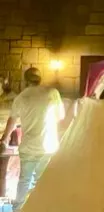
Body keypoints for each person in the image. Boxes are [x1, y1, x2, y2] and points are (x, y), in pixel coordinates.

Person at [0, 68, 65, 210]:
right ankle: (42, 207)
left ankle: (19, 209)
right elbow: (61, 116)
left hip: (28, 147)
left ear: (25, 80)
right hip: (48, 146)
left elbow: (12, 120)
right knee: (43, 181)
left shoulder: (21, 97)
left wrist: (4, 141)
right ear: (40, 79)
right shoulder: (52, 93)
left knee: (24, 180)